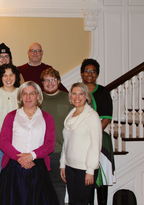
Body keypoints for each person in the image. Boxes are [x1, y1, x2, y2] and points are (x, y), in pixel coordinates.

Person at [0, 81, 59, 205]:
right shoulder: (11, 116)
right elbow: (4, 141)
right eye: (25, 94)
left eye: (32, 94)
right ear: (21, 97)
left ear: (38, 96)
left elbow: (50, 144)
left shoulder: (47, 118)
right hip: (14, 167)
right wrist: (20, 158)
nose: (28, 97)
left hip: (37, 167)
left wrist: (31, 156)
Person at [60, 82, 102, 205]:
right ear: (70, 96)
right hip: (70, 167)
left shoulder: (92, 116)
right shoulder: (70, 115)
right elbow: (66, 143)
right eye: (74, 93)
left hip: (84, 169)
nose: (77, 97)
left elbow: (96, 145)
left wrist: (90, 170)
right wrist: (63, 164)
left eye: (80, 94)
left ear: (86, 97)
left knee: (81, 202)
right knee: (73, 202)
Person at [80, 59, 115, 205]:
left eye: (93, 71)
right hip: (82, 141)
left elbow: (107, 117)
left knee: (101, 178)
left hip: (101, 140)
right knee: (86, 177)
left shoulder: (103, 92)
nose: (90, 74)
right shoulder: (78, 91)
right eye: (87, 71)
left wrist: (94, 134)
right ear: (82, 73)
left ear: (97, 74)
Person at [40, 68, 73, 205]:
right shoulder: (36, 99)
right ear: (42, 83)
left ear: (59, 81)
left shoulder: (68, 99)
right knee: (40, 186)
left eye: (53, 79)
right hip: (39, 152)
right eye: (46, 80)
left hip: (59, 151)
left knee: (58, 185)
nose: (50, 83)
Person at [0, 64, 21, 164]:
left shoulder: (21, 93)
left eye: (11, 75)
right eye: (5, 75)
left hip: (19, 142)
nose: (8, 78)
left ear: (16, 76)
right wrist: (4, 141)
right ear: (1, 77)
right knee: (1, 174)